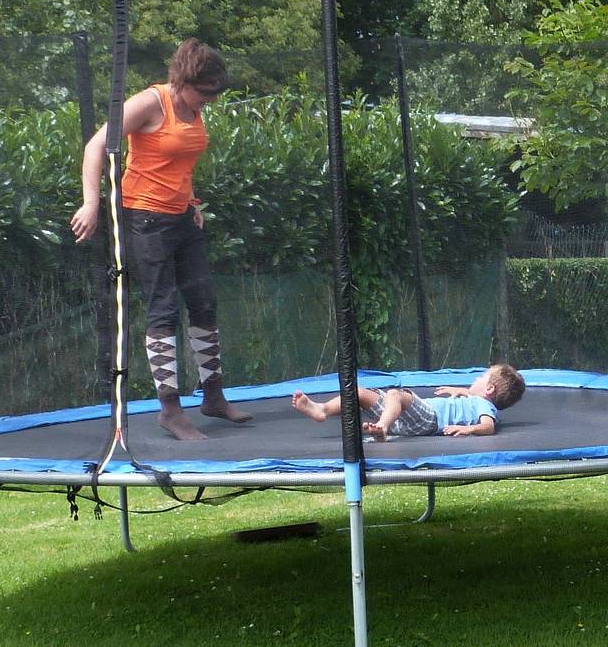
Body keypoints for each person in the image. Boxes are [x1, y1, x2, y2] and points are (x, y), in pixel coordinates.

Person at [70, 38, 247, 441]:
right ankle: (170, 409)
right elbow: (96, 145)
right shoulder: (150, 103)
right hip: (146, 220)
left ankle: (213, 396)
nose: (210, 100)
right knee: (163, 308)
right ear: (183, 81)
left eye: (214, 93)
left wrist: (191, 201)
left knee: (203, 302)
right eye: (205, 92)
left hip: (182, 218)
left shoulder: (194, 108)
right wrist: (91, 203)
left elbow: (178, 161)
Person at [291, 364, 526, 442]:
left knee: (396, 394)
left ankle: (382, 427)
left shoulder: (485, 406)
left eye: (481, 377)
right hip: (407, 421)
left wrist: (468, 429)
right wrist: (460, 391)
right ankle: (322, 410)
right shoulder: (474, 399)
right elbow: (470, 395)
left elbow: (488, 426)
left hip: (430, 419)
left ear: (489, 389)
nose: (475, 379)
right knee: (360, 393)